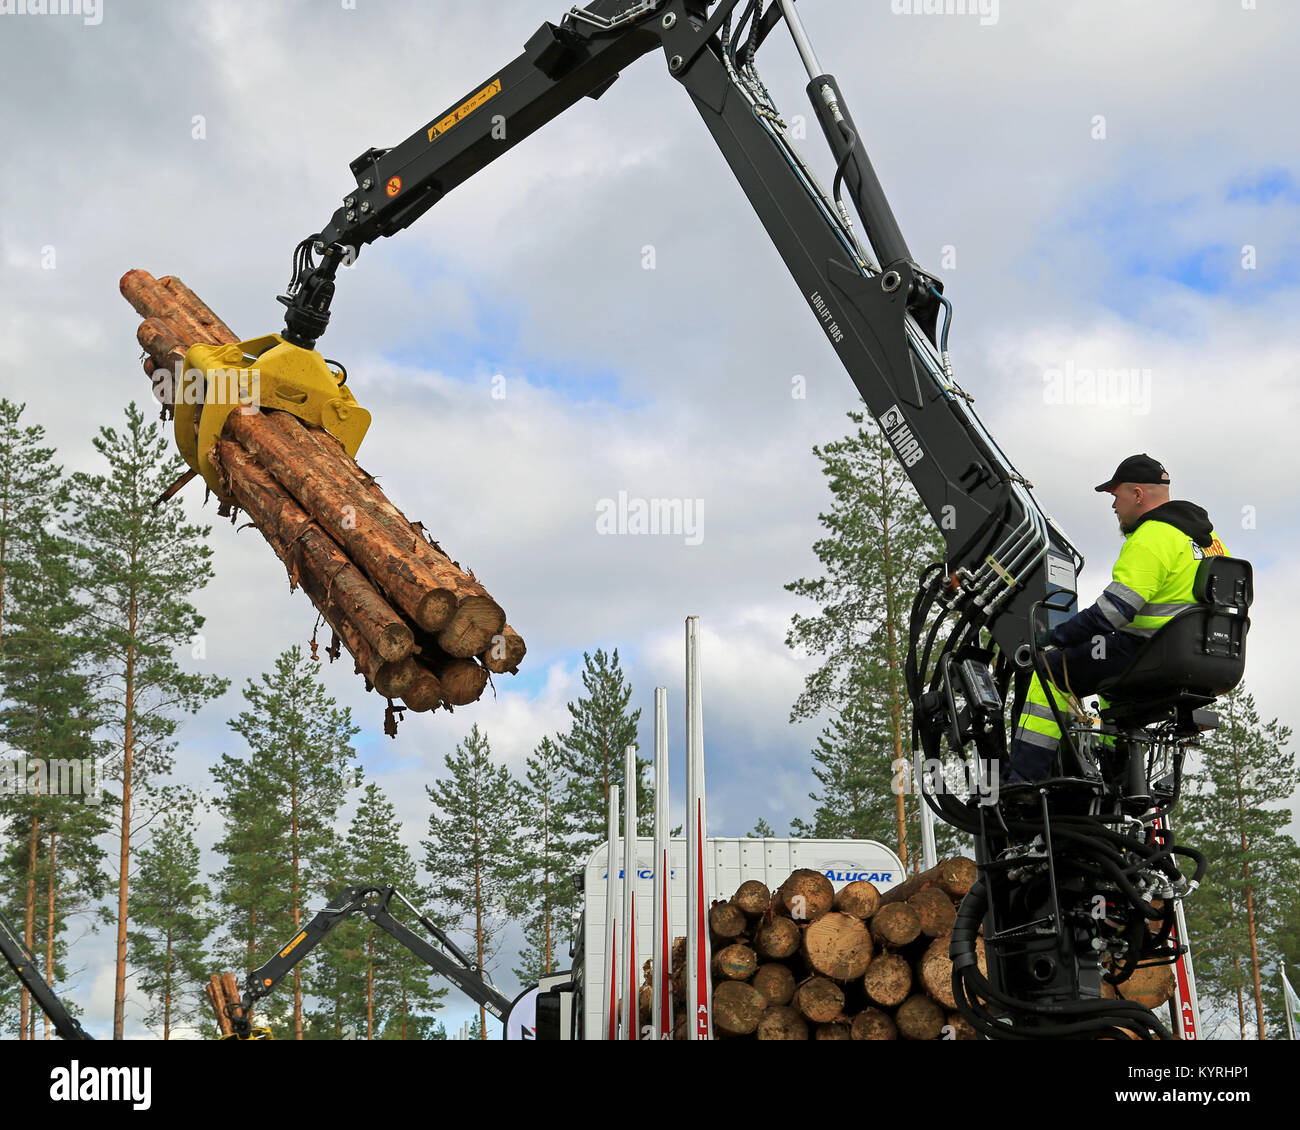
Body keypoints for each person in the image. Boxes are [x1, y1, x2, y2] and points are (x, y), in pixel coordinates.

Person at [1007, 454, 1229, 783]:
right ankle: (1118, 777)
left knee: (1051, 671)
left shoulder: (1152, 537)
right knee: (1108, 677)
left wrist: (1056, 637)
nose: (1114, 506)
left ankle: (1025, 782)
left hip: (1153, 653)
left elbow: (1112, 612)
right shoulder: (1209, 542)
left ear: (1137, 494)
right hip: (1209, 660)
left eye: (1116, 496)